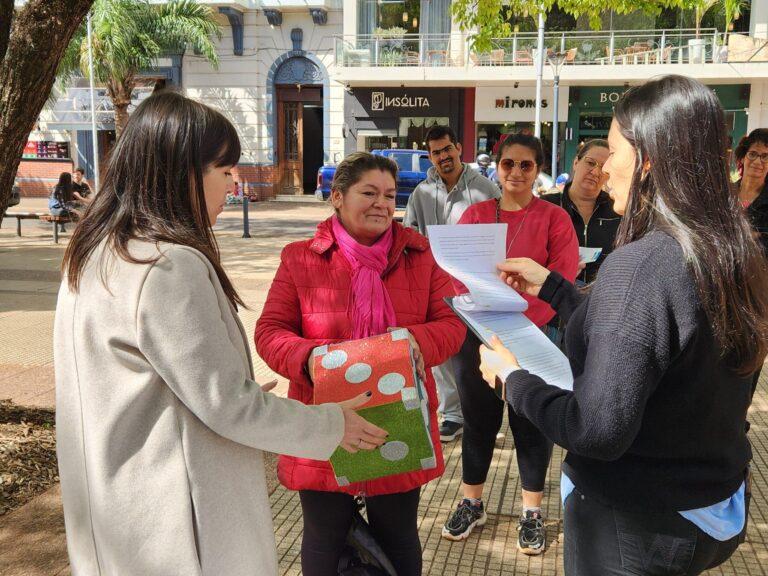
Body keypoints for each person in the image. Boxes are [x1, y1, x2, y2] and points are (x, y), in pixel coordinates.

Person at [55, 91, 387, 576]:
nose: (233, 187)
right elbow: (227, 405)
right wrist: (333, 424)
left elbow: (167, 387)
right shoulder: (167, 265)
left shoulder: (94, 253)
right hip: (178, 525)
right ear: (182, 170)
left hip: (114, 513)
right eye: (224, 171)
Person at [480, 75, 768, 575]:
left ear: (650, 158)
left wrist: (514, 380)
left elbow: (595, 430)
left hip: (636, 523)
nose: (604, 168)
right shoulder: (730, 249)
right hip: (713, 505)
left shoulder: (640, 265)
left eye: (614, 151)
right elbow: (655, 338)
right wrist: (554, 288)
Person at [255, 152, 466, 576]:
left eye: (390, 195)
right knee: (323, 537)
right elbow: (269, 332)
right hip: (326, 419)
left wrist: (402, 348)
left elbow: (450, 324)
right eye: (368, 192)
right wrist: (314, 360)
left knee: (399, 536)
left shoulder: (418, 255)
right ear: (336, 197)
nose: (382, 204)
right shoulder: (300, 258)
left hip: (398, 415)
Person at [441, 133, 579, 554]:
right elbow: (452, 271)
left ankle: (532, 511)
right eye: (508, 164)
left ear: (538, 169)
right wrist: (481, 314)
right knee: (478, 422)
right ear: (496, 167)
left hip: (531, 337)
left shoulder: (555, 219)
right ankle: (471, 500)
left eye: (526, 165)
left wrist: (519, 322)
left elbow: (563, 278)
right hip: (478, 337)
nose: (516, 172)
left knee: (532, 424)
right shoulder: (476, 215)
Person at [403, 125, 499, 442]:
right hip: (434, 285)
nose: (443, 156)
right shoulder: (421, 193)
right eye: (436, 152)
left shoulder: (486, 189)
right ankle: (453, 414)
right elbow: (410, 235)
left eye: (447, 149)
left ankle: (481, 411)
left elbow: (499, 233)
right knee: (441, 353)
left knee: (475, 349)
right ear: (429, 156)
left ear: (458, 148)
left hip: (474, 285)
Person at [541, 139, 621, 284]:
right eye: (590, 163)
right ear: (576, 163)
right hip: (555, 295)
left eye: (603, 168)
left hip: (602, 298)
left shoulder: (618, 210)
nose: (595, 172)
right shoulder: (546, 206)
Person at [734, 129, 768, 398]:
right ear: (743, 158)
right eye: (754, 154)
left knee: (751, 357)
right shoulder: (725, 194)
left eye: (766, 157)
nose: (758, 161)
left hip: (760, 293)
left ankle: (739, 413)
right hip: (724, 287)